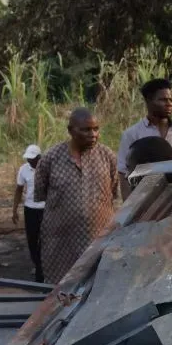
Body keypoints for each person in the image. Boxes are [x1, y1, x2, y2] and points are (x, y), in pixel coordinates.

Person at [35, 108, 118, 284]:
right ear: (70, 130)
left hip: (100, 238)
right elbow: (41, 194)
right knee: (60, 290)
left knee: (98, 285)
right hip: (61, 241)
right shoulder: (51, 158)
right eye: (86, 130)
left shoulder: (107, 156)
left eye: (96, 129)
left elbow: (113, 191)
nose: (93, 134)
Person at [117, 78, 172, 200]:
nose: (169, 103)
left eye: (170, 99)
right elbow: (123, 173)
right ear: (148, 101)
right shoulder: (132, 134)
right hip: (143, 200)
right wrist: (129, 207)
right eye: (163, 100)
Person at [12, 144, 45, 282]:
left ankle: (43, 270)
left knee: (46, 241)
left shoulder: (46, 169)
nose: (29, 161)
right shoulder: (23, 170)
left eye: (32, 158)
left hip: (46, 209)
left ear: (39, 157)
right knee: (32, 240)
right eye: (28, 158)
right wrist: (14, 210)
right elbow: (19, 190)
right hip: (30, 209)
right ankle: (38, 266)